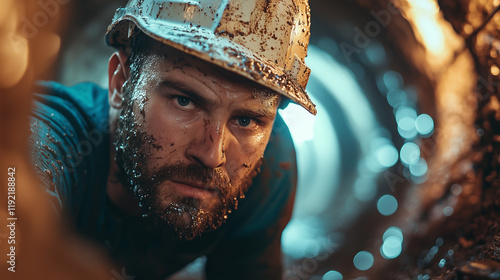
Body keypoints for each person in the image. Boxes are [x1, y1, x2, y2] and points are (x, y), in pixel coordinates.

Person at [28, 0, 316, 279]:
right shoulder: (54, 139)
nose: (213, 155)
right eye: (185, 101)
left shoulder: (269, 163)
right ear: (120, 82)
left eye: (245, 120)